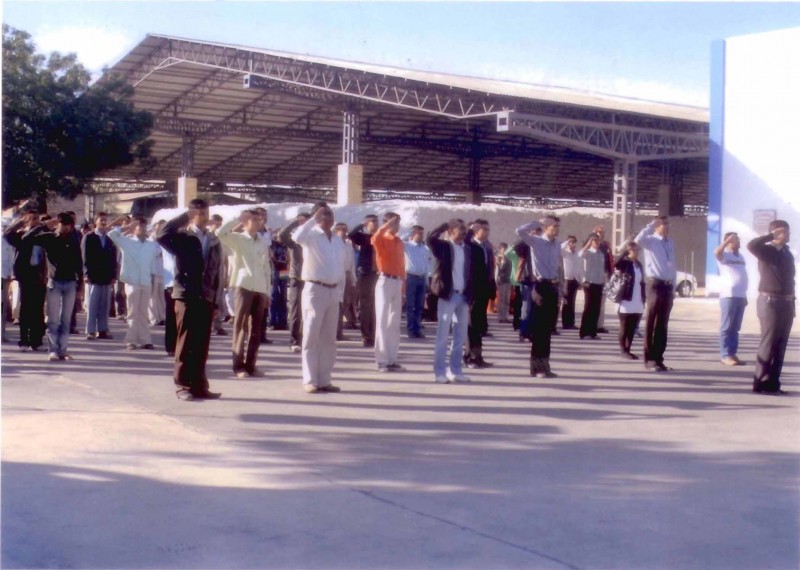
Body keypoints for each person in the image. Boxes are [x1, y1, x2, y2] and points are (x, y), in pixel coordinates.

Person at [157, 199, 224, 401]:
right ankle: (183, 385)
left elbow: (217, 272)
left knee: (202, 343)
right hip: (186, 294)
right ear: (192, 214)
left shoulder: (213, 240)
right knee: (185, 342)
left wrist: (217, 301)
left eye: (205, 212)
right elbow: (161, 234)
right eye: (198, 212)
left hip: (205, 296)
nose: (203, 216)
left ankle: (199, 385)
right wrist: (184, 216)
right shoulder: (183, 236)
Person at [292, 204, 346, 394]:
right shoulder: (311, 235)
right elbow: (295, 237)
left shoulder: (338, 240)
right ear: (317, 216)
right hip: (315, 288)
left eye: (330, 214)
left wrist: (341, 291)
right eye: (323, 215)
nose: (328, 218)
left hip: (333, 291)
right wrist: (311, 221)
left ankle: (324, 379)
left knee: (329, 338)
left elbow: (341, 267)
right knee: (311, 336)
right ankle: (310, 379)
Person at [216, 210, 271, 378]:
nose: (257, 221)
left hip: (260, 287)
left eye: (258, 219)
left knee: (256, 329)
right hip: (243, 284)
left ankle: (251, 365)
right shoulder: (238, 238)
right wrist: (237, 219)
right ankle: (238, 366)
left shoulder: (263, 241)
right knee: (240, 327)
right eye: (252, 219)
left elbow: (266, 268)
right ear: (246, 222)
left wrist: (268, 292)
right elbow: (220, 233)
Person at [28, 213, 83, 361]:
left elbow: (79, 262)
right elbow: (27, 238)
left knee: (66, 319)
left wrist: (81, 286)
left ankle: (63, 350)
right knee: (53, 319)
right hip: (54, 282)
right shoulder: (49, 238)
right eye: (63, 224)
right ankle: (53, 350)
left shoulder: (73, 239)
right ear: (58, 224)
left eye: (69, 225)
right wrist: (44, 225)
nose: (66, 228)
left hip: (71, 282)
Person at [748, 220, 794, 395]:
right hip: (770, 301)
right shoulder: (765, 251)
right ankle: (760, 382)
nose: (788, 235)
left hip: (786, 302)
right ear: (777, 233)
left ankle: (773, 383)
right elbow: (751, 245)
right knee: (769, 343)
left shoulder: (787, 253)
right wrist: (770, 236)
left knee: (780, 345)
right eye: (785, 232)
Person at [516, 216, 562, 378]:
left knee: (548, 329)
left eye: (557, 226)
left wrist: (560, 290)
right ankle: (536, 367)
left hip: (552, 286)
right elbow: (520, 231)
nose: (556, 229)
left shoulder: (557, 244)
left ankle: (545, 365)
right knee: (539, 328)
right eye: (554, 226)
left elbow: (558, 266)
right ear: (546, 227)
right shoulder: (536, 241)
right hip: (539, 286)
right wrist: (537, 223)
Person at [428, 219, 472, 383]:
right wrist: (442, 226)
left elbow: (469, 273)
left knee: (460, 336)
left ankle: (455, 371)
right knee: (443, 336)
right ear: (450, 231)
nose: (463, 231)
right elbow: (430, 239)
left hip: (463, 295)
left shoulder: (466, 249)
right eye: (459, 228)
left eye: (464, 228)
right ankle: (439, 372)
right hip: (448, 295)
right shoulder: (443, 247)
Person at [108, 216, 161, 350]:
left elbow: (153, 264)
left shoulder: (151, 245)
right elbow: (111, 234)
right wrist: (127, 226)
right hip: (132, 282)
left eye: (144, 225)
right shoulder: (127, 242)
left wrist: (153, 281)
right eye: (139, 225)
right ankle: (130, 340)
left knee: (143, 313)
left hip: (146, 281)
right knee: (132, 312)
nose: (142, 228)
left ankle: (145, 340)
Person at [635, 216, 677, 372]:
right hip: (655, 284)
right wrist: (651, 224)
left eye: (668, 223)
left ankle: (659, 359)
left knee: (663, 324)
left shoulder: (670, 242)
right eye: (663, 224)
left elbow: (672, 264)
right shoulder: (650, 240)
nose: (666, 226)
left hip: (667, 285)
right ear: (657, 226)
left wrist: (673, 284)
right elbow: (638, 239)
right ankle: (649, 359)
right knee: (652, 322)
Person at [4, 207, 47, 352]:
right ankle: (24, 340)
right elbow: (7, 234)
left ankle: (36, 341)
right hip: (26, 274)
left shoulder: (43, 235)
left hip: (39, 274)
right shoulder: (21, 235)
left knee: (38, 309)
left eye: (37, 218)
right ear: (27, 219)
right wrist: (19, 223)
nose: (35, 221)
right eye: (32, 218)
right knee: (26, 308)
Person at [371, 212, 406, 373]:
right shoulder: (381, 238)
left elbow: (401, 264)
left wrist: (403, 289)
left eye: (397, 223)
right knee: (383, 321)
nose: (396, 226)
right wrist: (385, 226)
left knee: (394, 322)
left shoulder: (398, 240)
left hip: (397, 281)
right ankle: (382, 360)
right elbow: (375, 238)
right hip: (385, 280)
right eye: (394, 223)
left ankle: (392, 358)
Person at [464, 219, 496, 368]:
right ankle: (470, 357)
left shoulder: (487, 247)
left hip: (484, 290)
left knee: (479, 325)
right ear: (476, 230)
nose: (487, 232)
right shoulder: (470, 245)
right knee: (471, 324)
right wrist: (470, 229)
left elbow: (490, 269)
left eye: (488, 229)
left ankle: (478, 356)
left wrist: (491, 288)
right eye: (484, 229)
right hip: (473, 290)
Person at [81, 212, 118, 341]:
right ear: (95, 222)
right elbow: (85, 257)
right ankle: (90, 331)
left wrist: (114, 275)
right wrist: (86, 274)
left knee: (104, 304)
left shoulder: (109, 238)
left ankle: (102, 330)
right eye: (101, 220)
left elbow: (113, 258)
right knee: (92, 304)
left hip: (106, 276)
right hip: (93, 276)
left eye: (105, 220)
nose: (103, 222)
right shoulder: (89, 237)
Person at [278, 212, 310, 353]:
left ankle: (308, 340)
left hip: (311, 279)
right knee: (296, 311)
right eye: (303, 222)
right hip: (296, 278)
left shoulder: (313, 239)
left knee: (310, 312)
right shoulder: (293, 241)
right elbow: (283, 234)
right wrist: (295, 222)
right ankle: (295, 341)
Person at [715, 232, 749, 366]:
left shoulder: (740, 256)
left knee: (735, 328)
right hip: (728, 295)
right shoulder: (724, 255)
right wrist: (726, 241)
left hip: (741, 296)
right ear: (728, 241)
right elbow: (717, 252)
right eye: (735, 240)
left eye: (738, 239)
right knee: (726, 327)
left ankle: (732, 353)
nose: (738, 242)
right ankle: (725, 355)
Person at [349, 214, 379, 348]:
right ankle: (367, 336)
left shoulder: (381, 238)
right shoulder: (365, 238)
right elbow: (351, 234)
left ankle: (376, 334)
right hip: (366, 274)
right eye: (373, 222)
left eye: (377, 221)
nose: (376, 224)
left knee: (377, 307)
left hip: (379, 274)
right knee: (366, 306)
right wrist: (363, 224)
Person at [615, 241, 646, 359]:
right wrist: (624, 251)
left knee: (632, 326)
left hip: (637, 298)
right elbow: (616, 263)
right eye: (634, 250)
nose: (637, 252)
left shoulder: (639, 264)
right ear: (629, 251)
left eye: (638, 250)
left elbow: (642, 281)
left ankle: (628, 348)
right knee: (625, 324)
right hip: (626, 298)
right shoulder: (625, 263)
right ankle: (623, 350)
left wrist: (644, 298)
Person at [579, 233, 606, 340]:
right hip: (589, 283)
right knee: (588, 308)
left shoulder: (601, 254)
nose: (597, 242)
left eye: (598, 240)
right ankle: (585, 332)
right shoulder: (587, 252)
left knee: (596, 308)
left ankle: (593, 332)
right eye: (595, 240)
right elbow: (580, 254)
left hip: (599, 283)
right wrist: (588, 243)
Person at [404, 224, 430, 338]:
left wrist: (427, 281)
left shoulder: (424, 248)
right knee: (410, 305)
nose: (421, 236)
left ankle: (417, 329)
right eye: (419, 233)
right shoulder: (408, 246)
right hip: (411, 277)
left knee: (419, 306)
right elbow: (399, 239)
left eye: (422, 233)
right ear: (413, 234)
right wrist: (408, 234)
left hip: (421, 278)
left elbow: (426, 265)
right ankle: (411, 329)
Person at [334, 223, 357, 341]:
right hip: (337, 274)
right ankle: (336, 332)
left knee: (346, 303)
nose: (344, 232)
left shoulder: (348, 244)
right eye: (342, 230)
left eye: (345, 230)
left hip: (347, 274)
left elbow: (352, 262)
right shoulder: (334, 243)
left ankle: (339, 330)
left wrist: (353, 280)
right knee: (337, 304)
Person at [593, 225, 614, 334]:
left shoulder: (606, 245)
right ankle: (593, 324)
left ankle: (600, 325)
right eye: (599, 232)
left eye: (602, 232)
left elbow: (611, 258)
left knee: (602, 301)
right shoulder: (592, 244)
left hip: (605, 274)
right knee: (594, 302)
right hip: (595, 275)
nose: (601, 234)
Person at [560, 235, 581, 330]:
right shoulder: (564, 252)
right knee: (566, 302)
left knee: (572, 302)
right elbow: (559, 248)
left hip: (574, 279)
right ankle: (566, 323)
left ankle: (571, 322)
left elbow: (579, 267)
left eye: (574, 242)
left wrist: (579, 280)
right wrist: (566, 242)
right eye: (571, 242)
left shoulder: (576, 253)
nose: (573, 244)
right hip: (566, 279)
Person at [2, 225, 16, 343]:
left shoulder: (8, 242)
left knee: (3, 306)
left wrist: (11, 273)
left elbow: (11, 259)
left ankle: (2, 333)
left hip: (4, 276)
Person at [495, 243, 512, 324]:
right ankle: (501, 316)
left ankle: (505, 316)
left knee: (506, 299)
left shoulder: (508, 258)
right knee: (501, 299)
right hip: (501, 280)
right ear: (500, 249)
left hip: (507, 280)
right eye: (504, 249)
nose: (505, 250)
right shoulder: (498, 257)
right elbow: (500, 268)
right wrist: (500, 262)